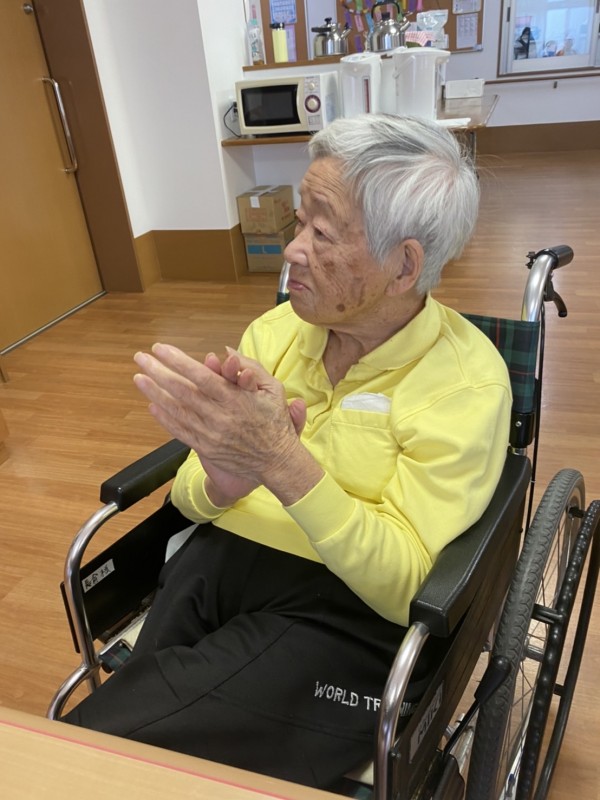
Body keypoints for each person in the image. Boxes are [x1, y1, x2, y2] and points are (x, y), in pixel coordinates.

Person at [62, 114, 512, 788]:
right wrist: (221, 480)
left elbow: (406, 586)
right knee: (153, 717)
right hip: (225, 563)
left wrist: (282, 461)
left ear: (404, 265)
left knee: (104, 743)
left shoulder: (466, 387)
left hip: (349, 613)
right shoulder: (277, 332)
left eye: (321, 234)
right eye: (300, 222)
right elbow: (191, 498)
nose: (292, 249)